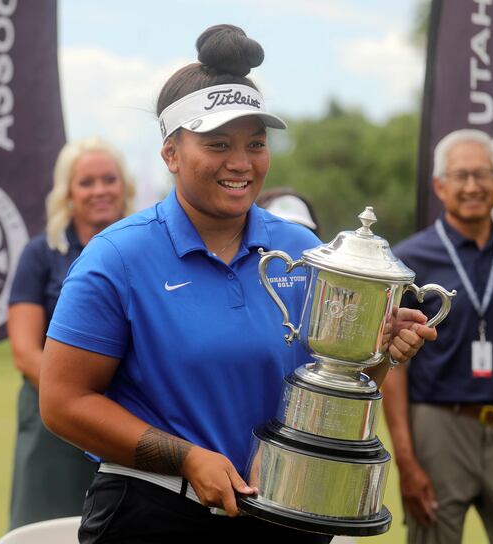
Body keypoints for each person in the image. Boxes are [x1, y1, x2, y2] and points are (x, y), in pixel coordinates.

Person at [39, 25, 437, 543]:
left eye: (256, 143)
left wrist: (378, 352)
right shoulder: (116, 257)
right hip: (154, 515)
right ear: (171, 153)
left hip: (288, 511)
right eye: (218, 144)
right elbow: (63, 402)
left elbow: (330, 385)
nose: (241, 163)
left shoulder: (303, 249)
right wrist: (187, 459)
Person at [381, 129, 493, 544]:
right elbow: (395, 369)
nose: (472, 186)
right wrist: (407, 462)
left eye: (482, 175)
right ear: (440, 186)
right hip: (439, 429)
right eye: (460, 176)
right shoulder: (408, 259)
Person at [7, 137, 135, 529]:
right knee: (48, 528)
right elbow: (24, 350)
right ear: (68, 192)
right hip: (55, 423)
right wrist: (78, 402)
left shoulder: (145, 248)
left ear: (123, 186)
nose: (99, 191)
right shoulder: (40, 253)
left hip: (132, 417)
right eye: (86, 182)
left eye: (108, 179)